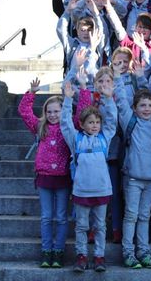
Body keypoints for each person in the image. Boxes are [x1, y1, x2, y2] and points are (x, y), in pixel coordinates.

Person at [60, 81, 117, 273]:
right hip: (82, 191)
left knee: (100, 226)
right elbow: (65, 123)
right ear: (82, 124)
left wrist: (108, 99)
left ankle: (99, 256)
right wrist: (68, 100)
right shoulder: (76, 139)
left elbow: (112, 121)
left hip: (102, 190)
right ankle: (81, 255)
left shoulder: (104, 138)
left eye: (97, 122)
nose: (94, 125)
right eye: (90, 122)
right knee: (82, 226)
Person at [17, 78, 71, 269]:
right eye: (49, 112)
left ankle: (58, 251)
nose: (53, 115)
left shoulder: (68, 127)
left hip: (63, 178)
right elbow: (24, 112)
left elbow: (83, 110)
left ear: (63, 111)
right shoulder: (41, 126)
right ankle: (46, 251)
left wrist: (77, 93)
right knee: (47, 217)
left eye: (57, 111)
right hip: (44, 179)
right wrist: (31, 93)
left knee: (62, 217)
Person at [113, 67, 151, 269]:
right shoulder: (130, 121)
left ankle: (143, 251)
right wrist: (117, 78)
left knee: (145, 216)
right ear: (135, 108)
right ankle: (128, 252)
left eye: (150, 105)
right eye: (142, 105)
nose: (146, 109)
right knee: (131, 215)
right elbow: (121, 103)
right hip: (133, 178)